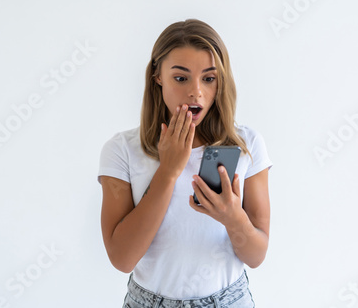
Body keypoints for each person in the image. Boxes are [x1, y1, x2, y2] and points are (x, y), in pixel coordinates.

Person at [98, 18, 273, 307]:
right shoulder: (121, 150)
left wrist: (233, 218)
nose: (196, 92)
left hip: (229, 299)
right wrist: (167, 172)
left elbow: (256, 256)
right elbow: (122, 258)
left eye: (208, 78)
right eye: (181, 78)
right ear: (158, 76)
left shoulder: (246, 145)